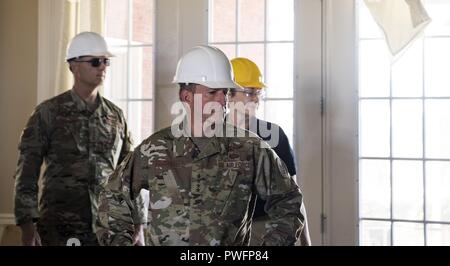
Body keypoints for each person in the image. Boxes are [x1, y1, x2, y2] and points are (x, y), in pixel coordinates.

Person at [96, 45, 305, 246]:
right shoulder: (154, 149)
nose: (223, 99)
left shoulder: (251, 149)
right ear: (186, 96)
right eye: (213, 92)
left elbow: (289, 201)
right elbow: (113, 196)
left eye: (226, 92)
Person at [13, 31, 144, 246]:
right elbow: (26, 173)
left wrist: (138, 223)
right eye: (95, 62)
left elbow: (131, 174)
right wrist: (27, 225)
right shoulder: (47, 113)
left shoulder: (116, 116)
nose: (102, 67)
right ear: (73, 65)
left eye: (105, 62)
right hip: (58, 229)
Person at [227, 57, 311, 246]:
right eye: (249, 92)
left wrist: (306, 241)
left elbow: (294, 196)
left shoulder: (275, 136)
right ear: (228, 94)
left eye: (259, 92)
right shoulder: (209, 136)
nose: (256, 99)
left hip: (265, 231)